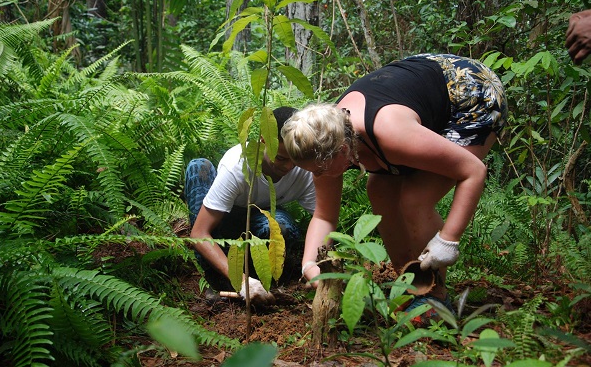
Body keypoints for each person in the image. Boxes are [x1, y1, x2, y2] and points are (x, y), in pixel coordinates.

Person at [281, 53, 508, 321]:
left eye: (319, 170)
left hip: (470, 92)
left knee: (415, 199)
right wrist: (309, 264)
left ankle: (436, 298)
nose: (316, 176)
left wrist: (447, 241)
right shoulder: (325, 143)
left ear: (343, 150)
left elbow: (473, 171)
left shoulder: (390, 134)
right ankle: (412, 283)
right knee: (378, 190)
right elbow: (324, 215)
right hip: (420, 96)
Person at [185, 106, 315, 305]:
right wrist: (243, 282)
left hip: (262, 219)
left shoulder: (305, 168)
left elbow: (323, 220)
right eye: (281, 158)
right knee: (198, 168)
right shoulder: (237, 166)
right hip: (222, 222)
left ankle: (267, 278)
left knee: (281, 228)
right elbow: (199, 234)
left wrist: (315, 268)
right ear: (263, 142)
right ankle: (215, 278)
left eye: (295, 160)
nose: (288, 167)